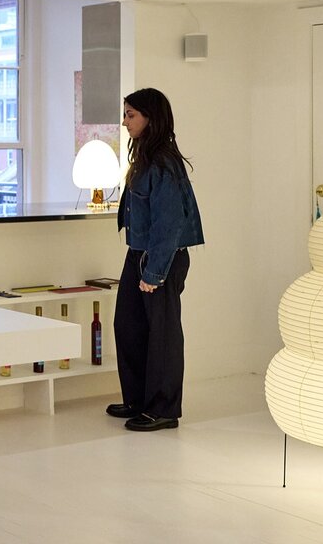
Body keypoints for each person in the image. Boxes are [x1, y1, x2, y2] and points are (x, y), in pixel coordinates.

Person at [107, 88, 204, 432]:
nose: (125, 121)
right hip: (139, 254)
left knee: (161, 334)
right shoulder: (146, 159)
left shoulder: (164, 162)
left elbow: (170, 222)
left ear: (151, 117)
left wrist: (155, 271)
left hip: (160, 258)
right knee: (129, 326)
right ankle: (138, 400)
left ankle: (162, 409)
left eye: (131, 114)